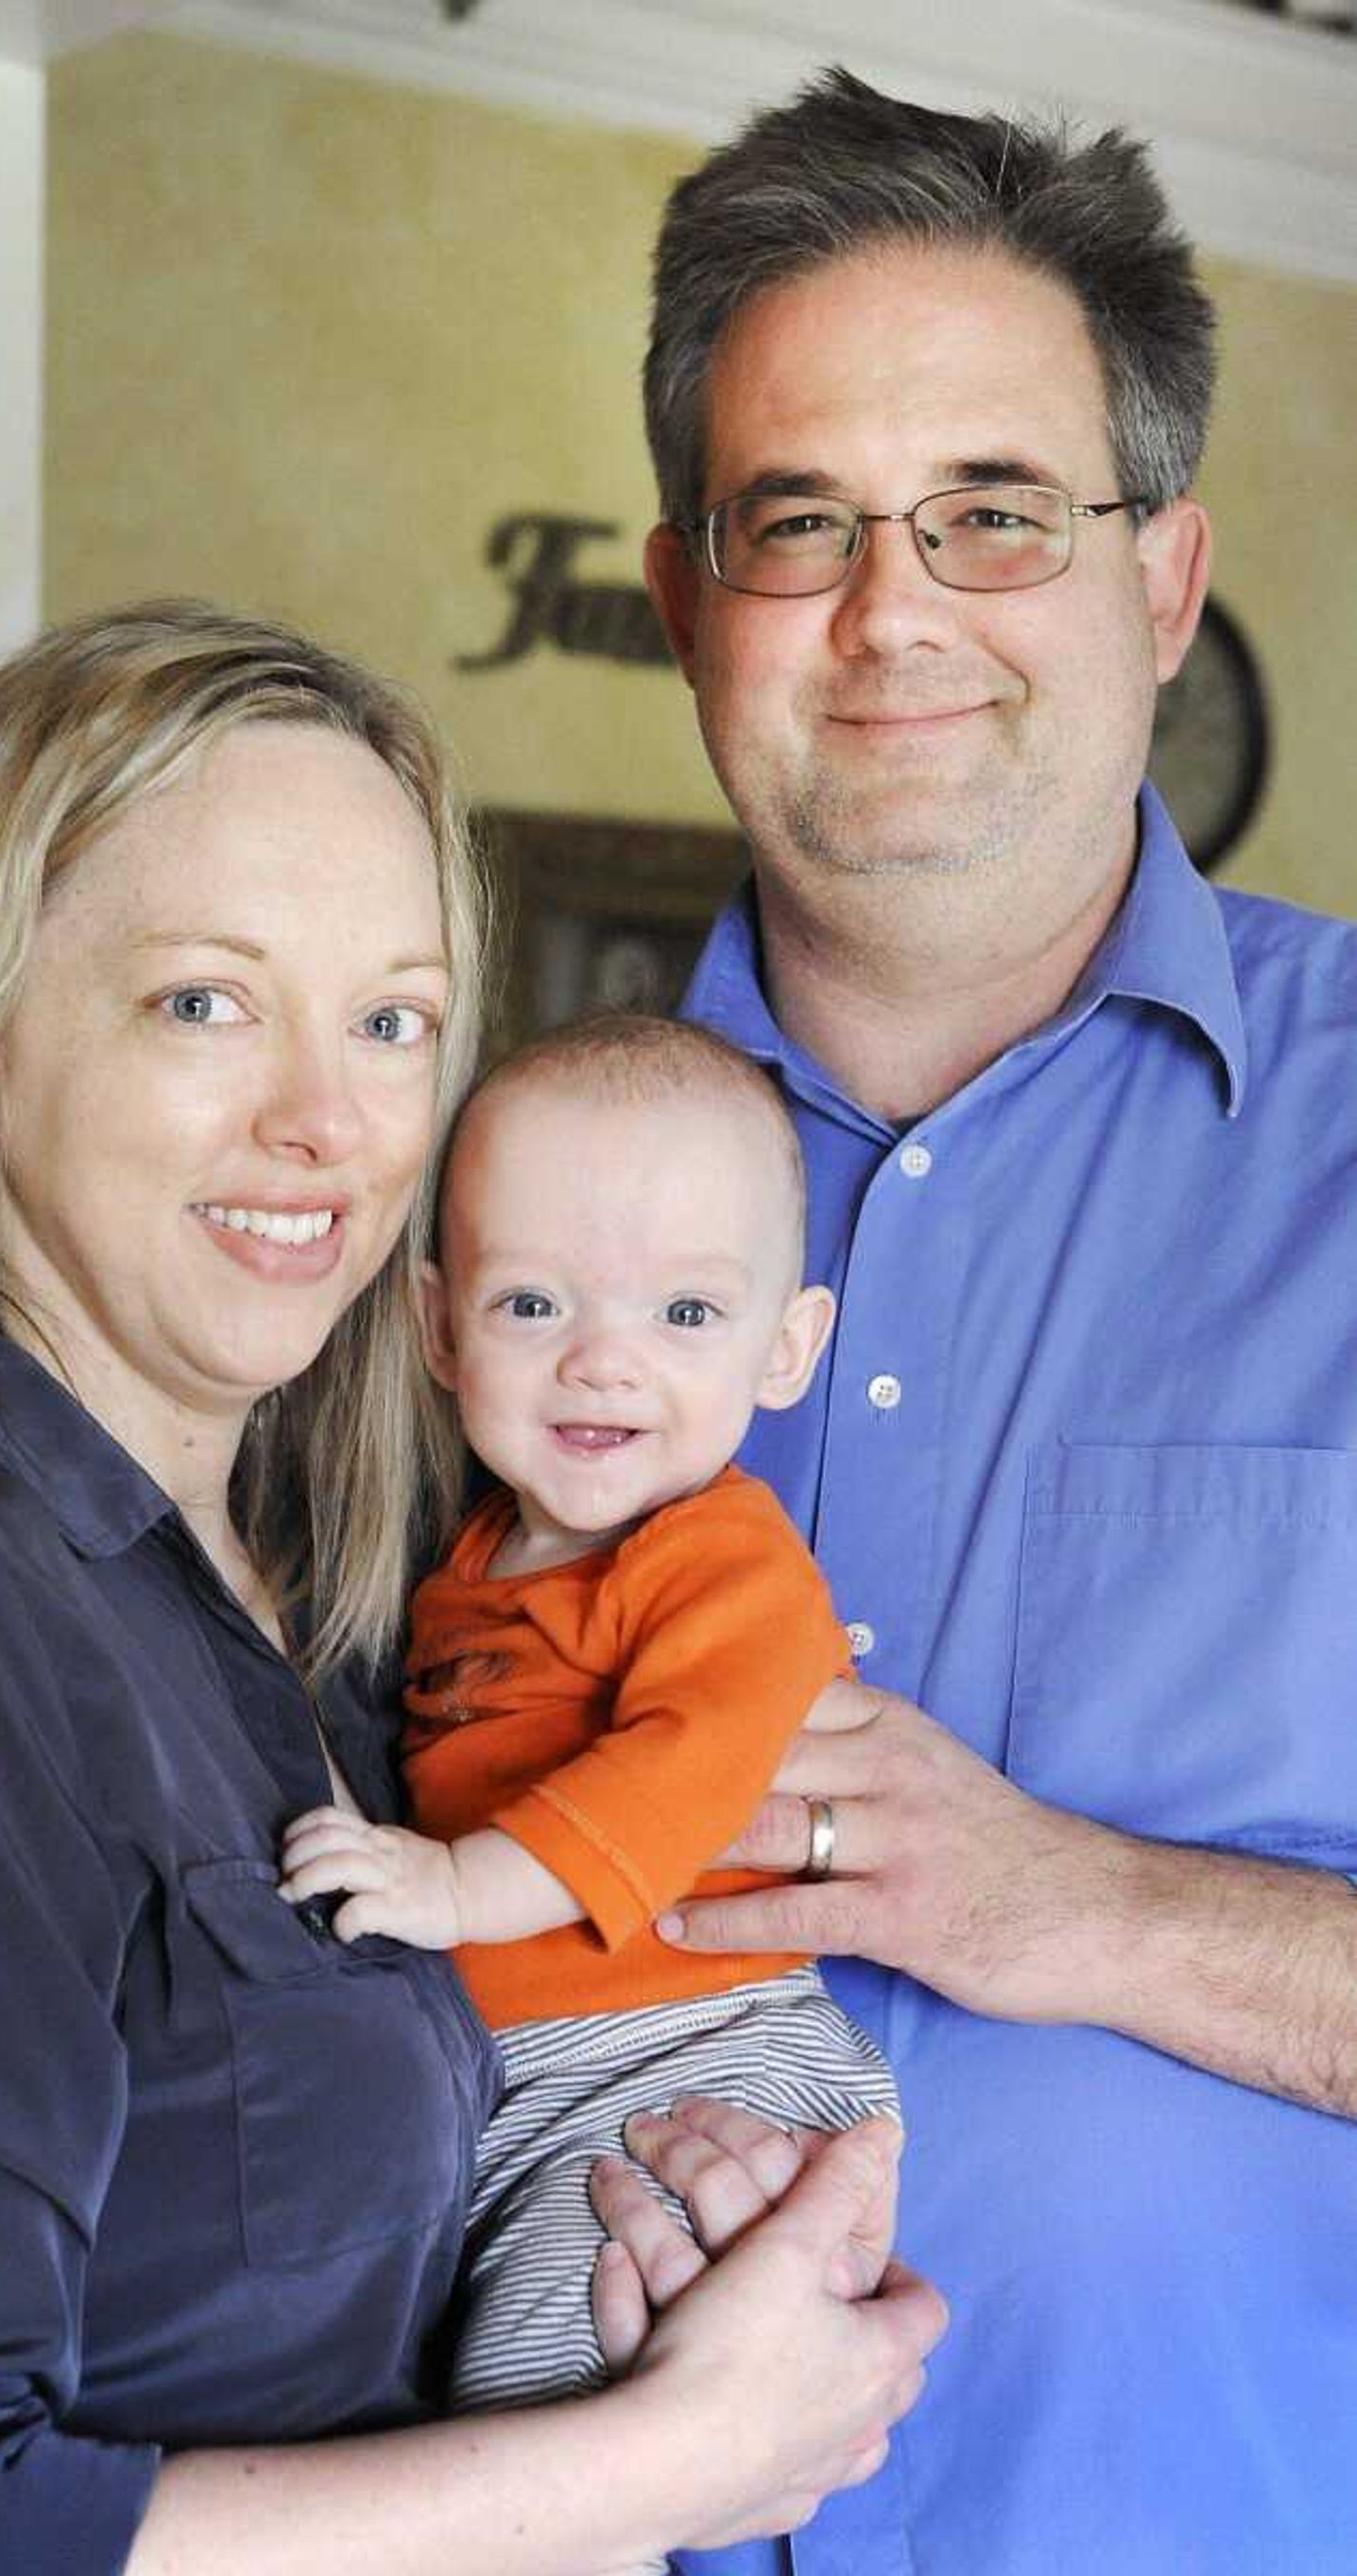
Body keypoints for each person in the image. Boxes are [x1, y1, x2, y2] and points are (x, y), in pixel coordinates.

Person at [0, 602, 944, 2576]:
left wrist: (643, 2237)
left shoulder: (341, 1597)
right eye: (206, 1003)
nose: (330, 1123)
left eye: (393, 1018)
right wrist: (666, 2462)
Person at [628, 68, 1357, 2574]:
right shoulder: (449, 1219)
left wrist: (1092, 1908)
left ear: (1163, 582)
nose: (891, 609)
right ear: (677, 598)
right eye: (801, 520)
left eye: (994, 514)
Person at [280, 1014, 898, 2501]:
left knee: (538, 2406)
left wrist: (449, 1884)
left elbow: (684, 1776)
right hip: (535, 2074)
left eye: (687, 1315)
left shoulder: (721, 1558)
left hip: (688, 2058)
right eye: (535, 1302)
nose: (602, 1363)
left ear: (788, 1346)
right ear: (439, 1326)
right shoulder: (477, 1557)